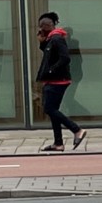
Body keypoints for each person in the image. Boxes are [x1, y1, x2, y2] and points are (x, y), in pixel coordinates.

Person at [36, 12, 86, 151]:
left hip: (57, 81)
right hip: (54, 80)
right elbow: (51, 56)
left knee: (49, 108)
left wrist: (51, 71)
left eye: (41, 27)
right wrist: (42, 44)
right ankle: (58, 143)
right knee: (53, 111)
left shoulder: (57, 38)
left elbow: (65, 58)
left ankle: (76, 130)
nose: (40, 30)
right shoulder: (52, 39)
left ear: (47, 26)